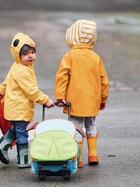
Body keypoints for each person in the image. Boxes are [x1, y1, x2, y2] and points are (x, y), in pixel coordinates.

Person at [0, 32, 54, 168]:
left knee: (17, 129)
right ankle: (23, 160)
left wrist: (0, 92)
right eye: (26, 53)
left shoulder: (16, 66)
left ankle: (2, 145)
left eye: (33, 52)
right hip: (19, 108)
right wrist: (45, 100)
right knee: (22, 134)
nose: (30, 55)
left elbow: (6, 82)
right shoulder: (23, 71)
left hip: (12, 107)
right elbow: (31, 91)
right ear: (18, 55)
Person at [55, 19, 109, 167]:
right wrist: (103, 99)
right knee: (91, 124)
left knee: (76, 127)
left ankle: (77, 158)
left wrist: (60, 96)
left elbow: (62, 77)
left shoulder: (69, 57)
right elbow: (104, 80)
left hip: (74, 101)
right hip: (92, 100)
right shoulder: (96, 58)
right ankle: (93, 155)